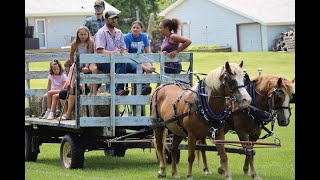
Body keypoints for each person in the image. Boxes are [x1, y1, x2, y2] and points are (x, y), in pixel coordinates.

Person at [93, 10, 129, 96]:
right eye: (112, 18)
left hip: (117, 61)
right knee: (122, 63)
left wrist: (123, 53)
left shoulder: (119, 32)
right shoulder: (101, 32)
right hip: (103, 62)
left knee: (135, 66)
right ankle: (118, 90)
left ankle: (142, 88)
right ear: (106, 20)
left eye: (115, 18)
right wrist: (114, 52)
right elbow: (99, 50)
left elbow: (124, 48)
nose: (114, 20)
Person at [124, 20, 155, 95]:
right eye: (133, 27)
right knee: (142, 67)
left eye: (137, 28)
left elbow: (147, 51)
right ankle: (143, 87)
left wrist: (150, 63)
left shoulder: (144, 36)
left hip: (142, 58)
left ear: (141, 29)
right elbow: (126, 52)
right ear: (131, 28)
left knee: (150, 69)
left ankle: (145, 88)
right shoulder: (127, 37)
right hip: (131, 59)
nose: (135, 29)